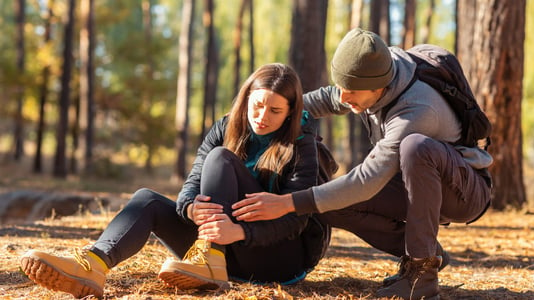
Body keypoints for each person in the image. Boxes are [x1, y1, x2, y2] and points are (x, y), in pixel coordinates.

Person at [19, 63, 330, 299]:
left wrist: (240, 230)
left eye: (275, 110)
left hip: (276, 257)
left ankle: (211, 257)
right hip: (222, 252)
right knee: (147, 199)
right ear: (246, 99)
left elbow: (296, 220)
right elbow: (191, 187)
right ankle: (93, 266)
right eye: (257, 105)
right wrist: (191, 210)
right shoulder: (225, 128)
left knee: (221, 159)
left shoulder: (301, 143)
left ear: (291, 113)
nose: (262, 116)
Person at [229, 29, 493, 300]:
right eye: (342, 86)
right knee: (330, 205)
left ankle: (422, 273)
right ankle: (428, 251)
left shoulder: (417, 110)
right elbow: (326, 98)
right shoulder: (371, 72)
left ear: (379, 87)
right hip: (414, 182)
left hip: (462, 191)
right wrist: (270, 114)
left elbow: (367, 180)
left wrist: (286, 203)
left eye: (351, 91)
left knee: (416, 147)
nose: (343, 98)